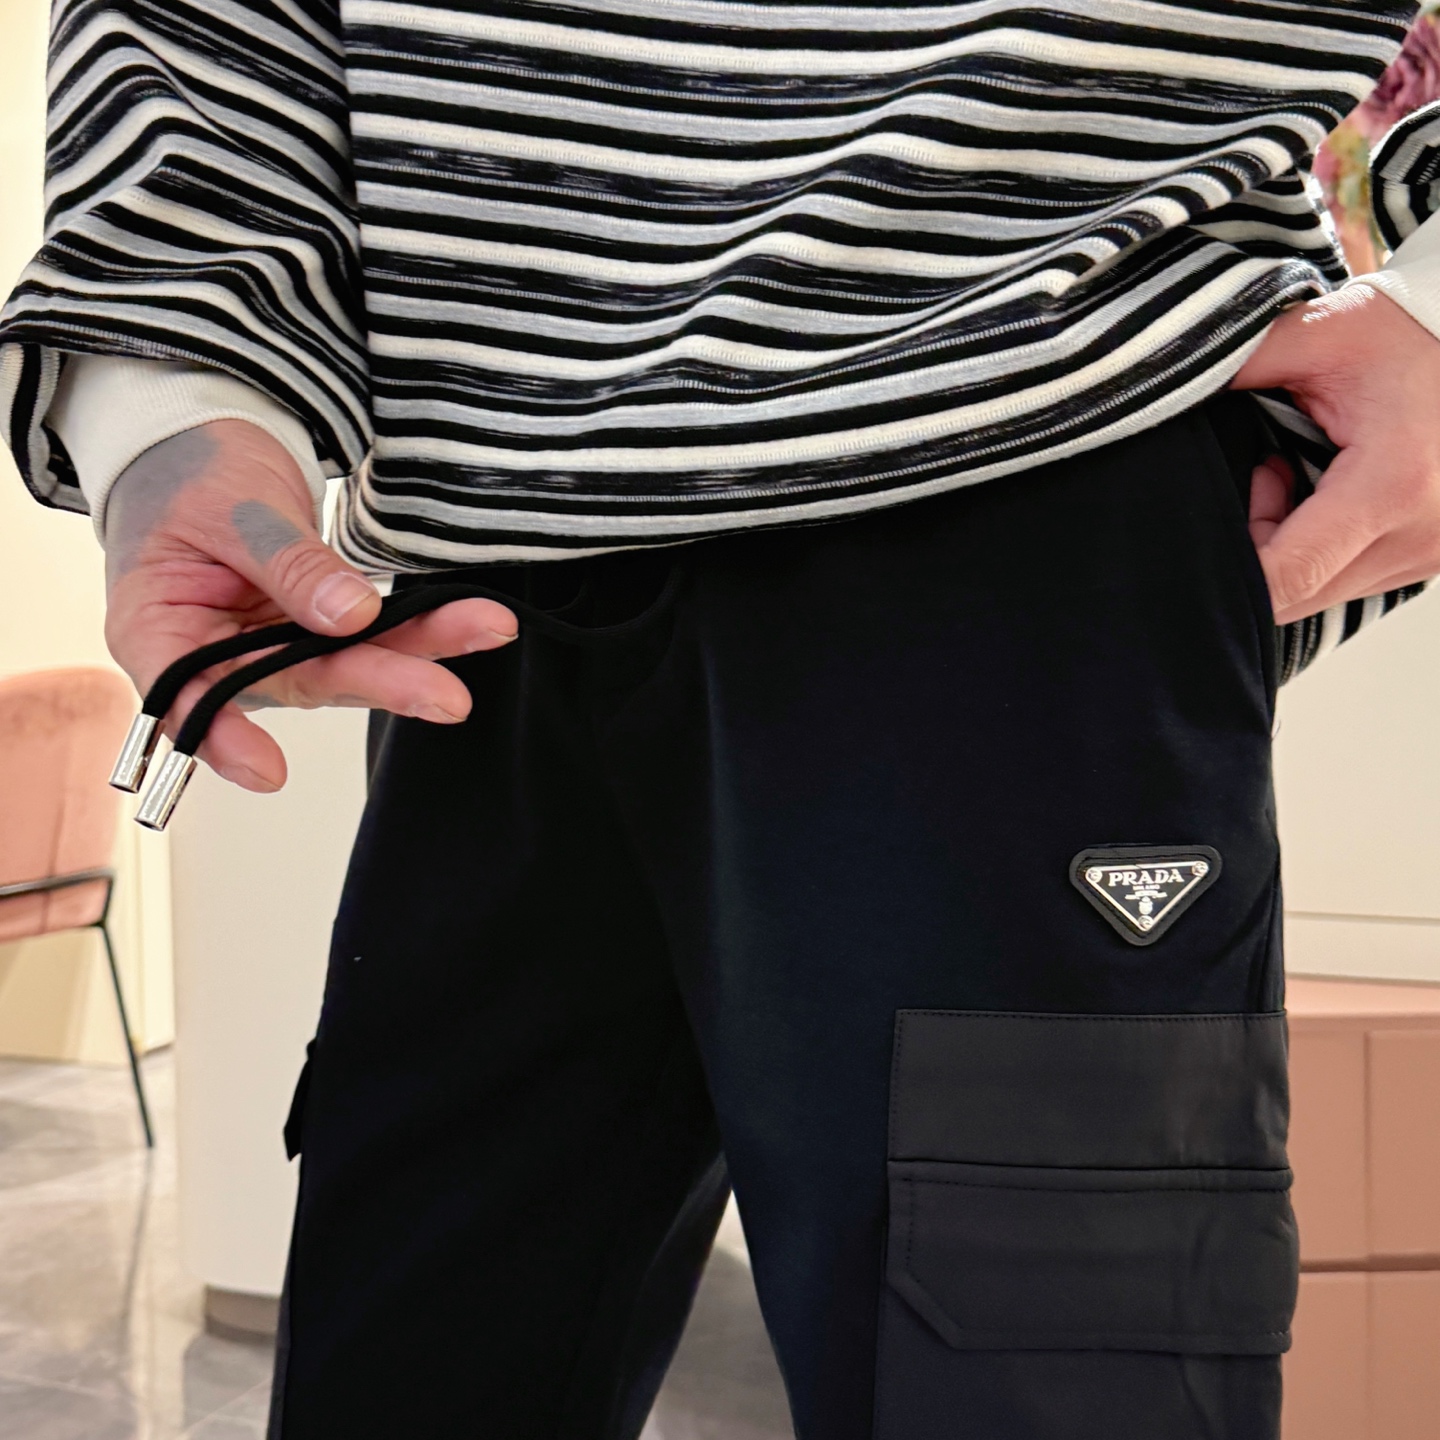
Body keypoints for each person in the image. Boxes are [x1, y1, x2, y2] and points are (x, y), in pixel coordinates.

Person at [5, 3, 1440, 1437]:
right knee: (404, 1376)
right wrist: (170, 398)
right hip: (498, 572)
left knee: (1029, 1391)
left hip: (1019, 488)